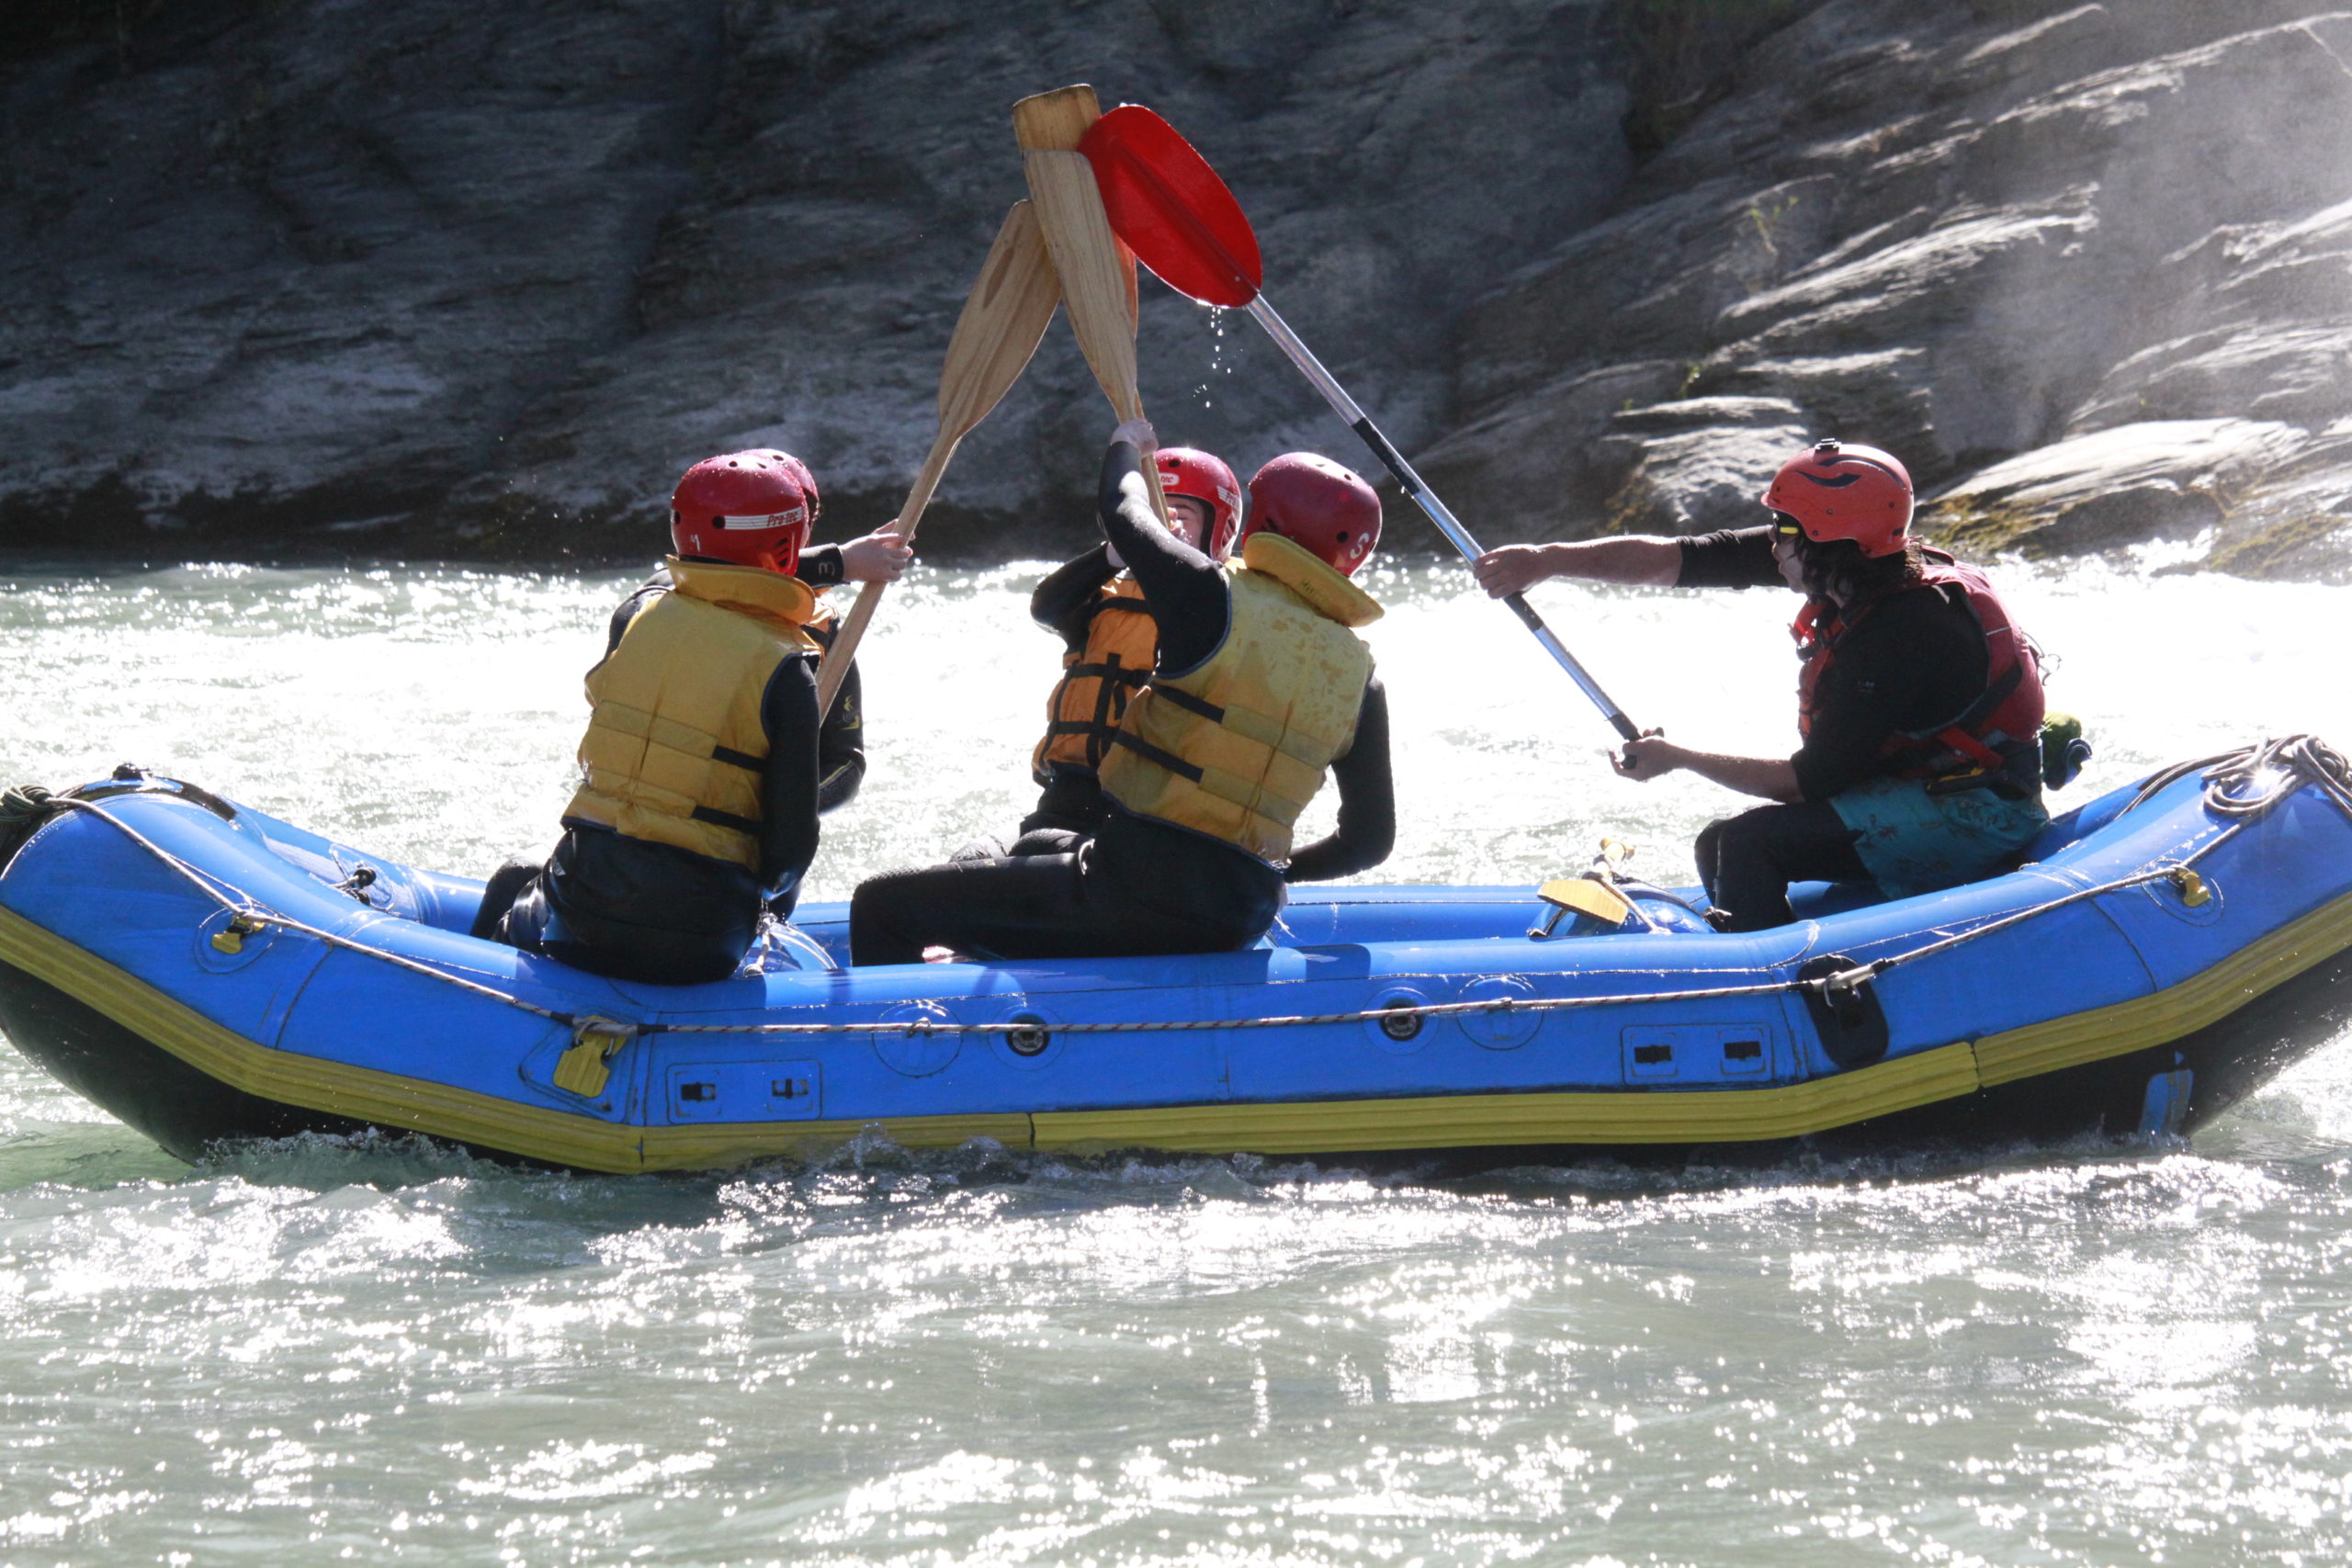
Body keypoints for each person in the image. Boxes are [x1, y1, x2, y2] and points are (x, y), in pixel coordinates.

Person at [849, 422, 1396, 965]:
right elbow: (1369, 843)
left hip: (1128, 891)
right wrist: (1266, 869)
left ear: (1258, 526)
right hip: (1240, 915)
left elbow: (1123, 510)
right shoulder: (1361, 675)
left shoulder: (1211, 597)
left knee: (880, 904)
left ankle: (911, 1040)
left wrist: (1125, 447)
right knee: (1039, 846)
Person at [1474, 438, 2047, 931]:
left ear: (1827, 538)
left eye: (1784, 529)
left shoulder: (1901, 633)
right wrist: (1546, 560)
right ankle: (1754, 944)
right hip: (1919, 785)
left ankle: (1786, 987)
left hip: (1979, 813)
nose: (1771, 541)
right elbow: (1679, 559)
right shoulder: (1850, 564)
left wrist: (1678, 757)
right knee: (1719, 845)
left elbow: (1808, 782)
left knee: (1748, 843)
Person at [472, 448, 910, 984]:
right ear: (790, 538)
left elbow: (703, 580)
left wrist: (836, 564)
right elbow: (789, 856)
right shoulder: (796, 661)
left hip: (584, 909)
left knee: (518, 877)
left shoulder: (638, 614)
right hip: (708, 937)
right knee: (523, 876)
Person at [994, 444, 1244, 854]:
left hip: (1148, 812)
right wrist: (1113, 553)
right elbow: (1046, 607)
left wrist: (1173, 563)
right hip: (1066, 798)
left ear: (1220, 527)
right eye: (1157, 513)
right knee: (974, 861)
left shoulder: (1225, 608)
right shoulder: (1103, 598)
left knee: (1041, 855)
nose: (1169, 523)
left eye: (1184, 513)